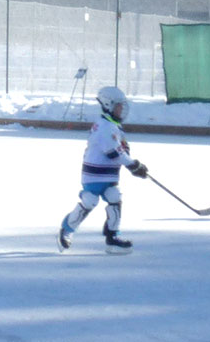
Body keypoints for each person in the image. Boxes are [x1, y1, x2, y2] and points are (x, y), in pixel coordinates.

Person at [58, 86, 148, 253]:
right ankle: (66, 229)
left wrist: (134, 164)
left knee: (114, 197)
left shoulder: (112, 125)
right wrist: (135, 166)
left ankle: (112, 237)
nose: (122, 110)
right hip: (94, 175)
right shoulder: (105, 128)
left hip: (109, 174)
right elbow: (115, 154)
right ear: (108, 105)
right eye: (119, 106)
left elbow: (122, 149)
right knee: (90, 201)